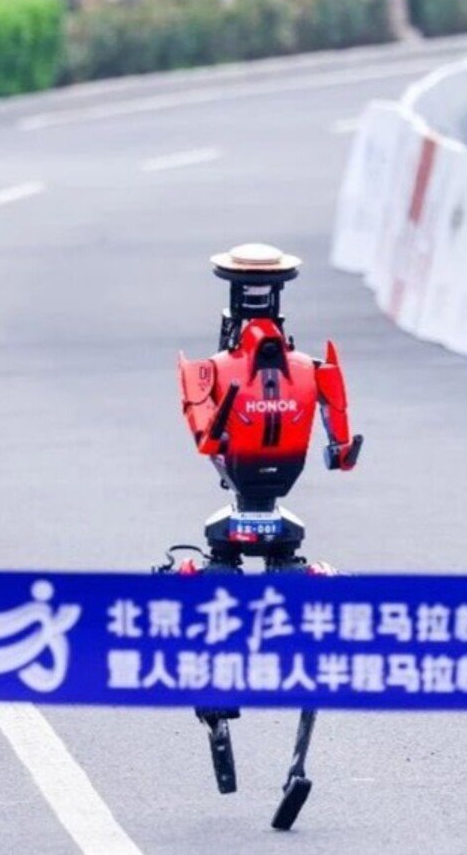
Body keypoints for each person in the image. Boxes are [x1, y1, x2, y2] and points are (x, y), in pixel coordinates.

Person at [171, 242, 364, 829]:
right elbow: (341, 454)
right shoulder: (315, 369)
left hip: (233, 516)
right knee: (311, 620)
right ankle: (298, 764)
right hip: (282, 517)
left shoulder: (209, 370)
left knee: (201, 603)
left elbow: (203, 437)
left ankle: (218, 713)